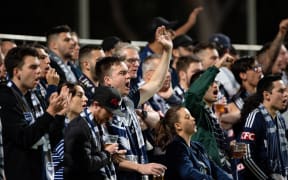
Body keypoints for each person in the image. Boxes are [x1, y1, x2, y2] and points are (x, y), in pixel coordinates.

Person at [95, 26, 170, 180]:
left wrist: (168, 51)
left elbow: (156, 83)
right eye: (122, 73)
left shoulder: (127, 101)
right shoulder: (100, 111)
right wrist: (140, 167)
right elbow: (109, 155)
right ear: (108, 80)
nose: (128, 77)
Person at [0, 46, 68, 180]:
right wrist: (50, 113)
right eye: (32, 67)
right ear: (17, 71)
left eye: (38, 67)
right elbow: (24, 138)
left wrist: (59, 115)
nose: (38, 71)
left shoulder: (35, 97)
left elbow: (50, 140)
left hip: (41, 172)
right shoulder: (5, 96)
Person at [184, 53, 235, 174]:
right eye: (210, 83)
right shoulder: (195, 111)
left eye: (216, 83)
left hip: (221, 170)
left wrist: (228, 149)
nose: (215, 86)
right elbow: (193, 94)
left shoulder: (210, 113)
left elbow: (215, 147)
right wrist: (217, 66)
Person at [154, 105, 232, 180]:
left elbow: (216, 170)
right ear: (178, 126)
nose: (193, 118)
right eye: (187, 117)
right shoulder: (175, 148)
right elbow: (188, 173)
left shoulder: (198, 146)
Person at [64, 86, 124, 180]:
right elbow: (85, 165)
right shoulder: (79, 127)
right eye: (109, 112)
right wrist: (107, 153)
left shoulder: (96, 124)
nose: (110, 117)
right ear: (96, 105)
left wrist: (111, 156)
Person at [237, 74, 288, 179]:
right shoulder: (255, 117)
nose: (286, 94)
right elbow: (245, 156)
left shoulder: (280, 118)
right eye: (281, 91)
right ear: (266, 95)